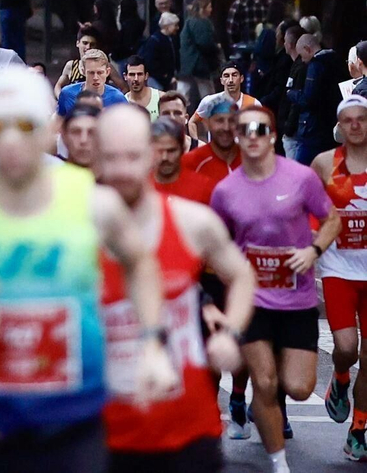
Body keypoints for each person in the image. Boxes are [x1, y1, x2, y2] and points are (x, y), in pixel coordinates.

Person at [0, 67, 175, 473]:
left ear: (50, 129)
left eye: (25, 125)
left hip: (74, 414)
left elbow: (140, 263)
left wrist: (152, 343)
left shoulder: (92, 200)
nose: (12, 140)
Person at [93, 104, 255, 473]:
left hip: (189, 429)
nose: (122, 170)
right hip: (102, 434)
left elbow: (242, 275)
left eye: (132, 156)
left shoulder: (191, 221)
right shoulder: (75, 229)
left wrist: (230, 332)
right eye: (112, 158)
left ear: (151, 155)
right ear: (97, 159)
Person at [211, 105, 338, 472]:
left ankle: (271, 393)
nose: (253, 136)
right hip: (253, 301)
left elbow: (331, 219)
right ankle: (279, 463)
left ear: (273, 136)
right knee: (264, 382)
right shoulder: (226, 191)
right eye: (246, 130)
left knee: (297, 386)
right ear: (237, 137)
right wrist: (231, 272)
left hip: (297, 300)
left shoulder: (300, 178)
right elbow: (216, 242)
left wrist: (313, 251)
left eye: (261, 130)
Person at [313, 95, 367, 458]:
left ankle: (358, 430)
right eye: (348, 119)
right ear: (339, 126)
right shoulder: (323, 163)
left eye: (362, 118)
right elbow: (308, 206)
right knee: (346, 348)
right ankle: (340, 378)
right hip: (339, 269)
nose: (356, 125)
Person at [150, 119, 217, 204]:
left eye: (171, 151)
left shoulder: (204, 187)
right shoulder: (140, 188)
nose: (165, 157)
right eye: (159, 151)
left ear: (182, 149)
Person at [57, 49, 129, 117]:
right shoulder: (67, 93)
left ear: (107, 72)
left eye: (100, 72)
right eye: (91, 73)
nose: (95, 77)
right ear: (83, 71)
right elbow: (58, 119)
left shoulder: (117, 98)